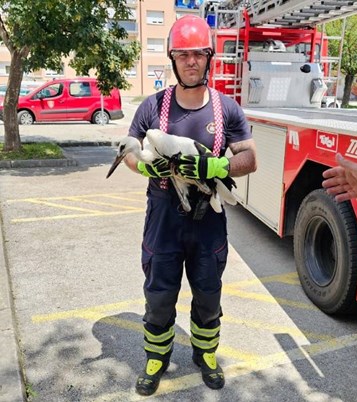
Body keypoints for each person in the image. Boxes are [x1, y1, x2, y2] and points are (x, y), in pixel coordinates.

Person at [121, 15, 257, 396]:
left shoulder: (226, 109)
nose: (191, 62)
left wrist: (217, 165)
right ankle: (155, 357)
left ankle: (206, 354)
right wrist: (147, 166)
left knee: (208, 292)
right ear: (173, 59)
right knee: (159, 294)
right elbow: (129, 153)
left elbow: (250, 159)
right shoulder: (152, 108)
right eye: (183, 55)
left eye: (198, 54)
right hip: (163, 216)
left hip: (206, 218)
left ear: (209, 58)